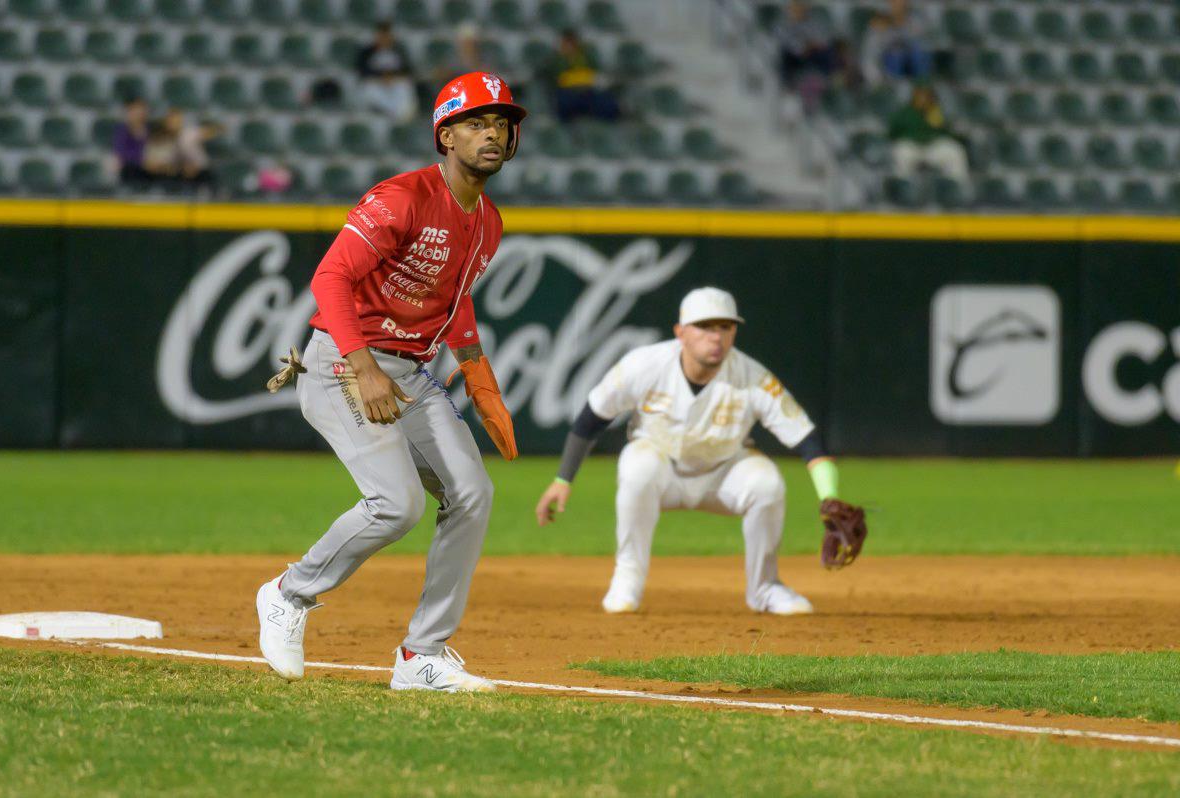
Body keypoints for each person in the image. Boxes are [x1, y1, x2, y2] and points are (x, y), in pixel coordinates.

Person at [256, 72, 527, 692]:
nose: (493, 133)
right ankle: (288, 594)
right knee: (398, 503)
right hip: (343, 363)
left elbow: (454, 303)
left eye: (502, 124)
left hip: (409, 374)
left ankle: (422, 655)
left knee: (473, 493)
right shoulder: (403, 197)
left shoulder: (488, 222)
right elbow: (329, 279)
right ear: (446, 135)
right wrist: (364, 365)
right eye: (477, 122)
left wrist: (480, 381)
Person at [535, 288, 864, 615]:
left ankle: (765, 587)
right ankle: (627, 580)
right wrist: (563, 480)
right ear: (680, 332)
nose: (716, 337)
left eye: (725, 327)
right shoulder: (644, 364)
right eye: (705, 327)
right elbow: (591, 419)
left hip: (723, 475)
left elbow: (806, 440)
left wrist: (829, 495)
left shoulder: (753, 377)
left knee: (767, 483)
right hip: (661, 469)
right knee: (637, 464)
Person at [887, 84, 968, 180]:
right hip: (912, 148)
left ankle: (957, 187)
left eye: (926, 95)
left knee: (954, 151)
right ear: (914, 96)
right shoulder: (904, 112)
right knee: (900, 152)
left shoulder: (936, 112)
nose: (923, 98)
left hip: (932, 148)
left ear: (931, 97)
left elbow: (947, 133)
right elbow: (892, 134)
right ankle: (903, 189)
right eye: (920, 95)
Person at [550, 29, 619, 123]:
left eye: (572, 43)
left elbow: (596, 73)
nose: (569, 46)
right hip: (568, 92)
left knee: (606, 102)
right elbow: (557, 78)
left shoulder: (586, 57)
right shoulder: (557, 60)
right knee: (565, 102)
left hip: (588, 90)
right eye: (566, 43)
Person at [355, 21, 417, 121]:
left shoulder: (398, 51)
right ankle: (390, 114)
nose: (384, 39)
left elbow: (408, 71)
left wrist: (392, 77)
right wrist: (381, 77)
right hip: (375, 83)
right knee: (370, 90)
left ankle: (401, 115)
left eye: (387, 36)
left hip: (395, 83)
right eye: (381, 36)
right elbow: (362, 71)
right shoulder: (367, 52)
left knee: (405, 87)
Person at [111, 97, 152, 187]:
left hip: (150, 169)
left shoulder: (151, 129)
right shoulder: (123, 131)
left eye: (141, 109)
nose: (139, 113)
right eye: (135, 110)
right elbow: (120, 153)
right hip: (131, 169)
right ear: (129, 112)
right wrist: (142, 160)